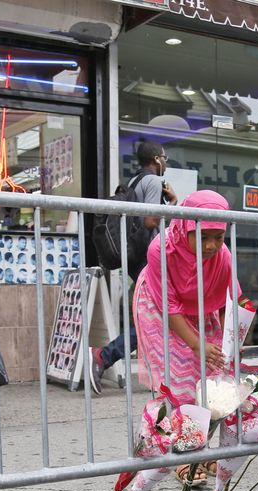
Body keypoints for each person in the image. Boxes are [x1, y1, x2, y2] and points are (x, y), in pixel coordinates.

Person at [135, 190, 240, 485]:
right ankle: (181, 457)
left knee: (210, 377)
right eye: (203, 236)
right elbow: (170, 307)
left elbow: (233, 306)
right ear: (185, 225)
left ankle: (196, 448)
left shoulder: (223, 257)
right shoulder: (161, 250)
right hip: (159, 307)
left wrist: (232, 343)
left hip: (200, 307)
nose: (211, 245)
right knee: (177, 379)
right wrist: (196, 344)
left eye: (218, 237)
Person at [88, 140, 177, 393]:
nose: (165, 164)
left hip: (137, 257)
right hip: (147, 259)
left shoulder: (136, 182)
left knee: (161, 317)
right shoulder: (152, 182)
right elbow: (150, 221)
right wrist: (173, 205)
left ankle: (166, 374)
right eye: (165, 159)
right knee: (161, 319)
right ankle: (104, 356)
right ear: (157, 159)